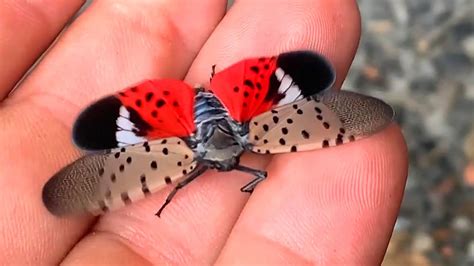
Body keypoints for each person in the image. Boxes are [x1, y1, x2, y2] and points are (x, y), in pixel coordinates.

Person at [0, 0, 408, 264]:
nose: (226, 164)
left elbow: (244, 172)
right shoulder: (244, 144)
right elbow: (255, 170)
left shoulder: (190, 158)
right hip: (232, 109)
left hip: (195, 121)